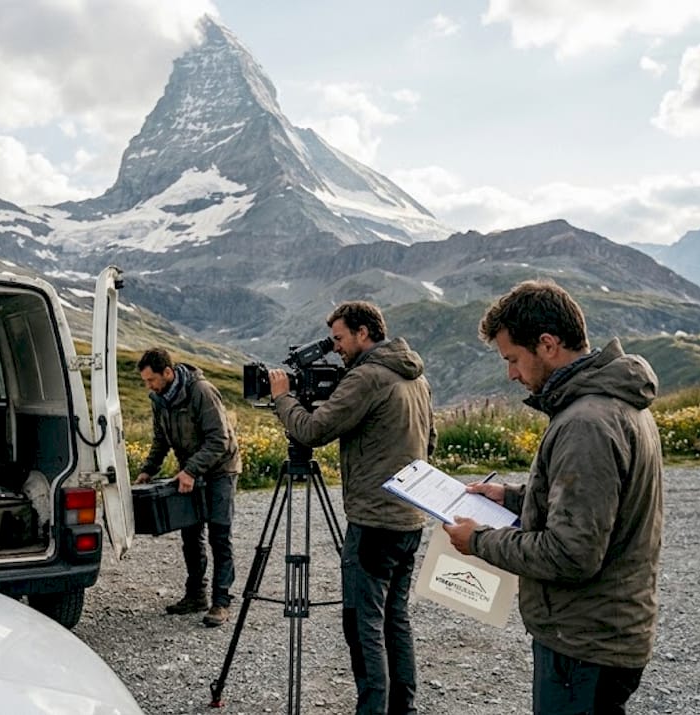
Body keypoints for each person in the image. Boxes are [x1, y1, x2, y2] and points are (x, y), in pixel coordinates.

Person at [442, 279, 664, 715]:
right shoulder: (614, 404)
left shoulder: (586, 423)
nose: (510, 374)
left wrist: (479, 542)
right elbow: (595, 505)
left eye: (513, 359)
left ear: (547, 344)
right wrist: (510, 498)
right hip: (599, 633)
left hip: (584, 642)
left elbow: (571, 553)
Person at [268, 301, 435, 715]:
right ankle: (404, 709)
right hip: (409, 518)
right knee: (395, 619)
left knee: (363, 627)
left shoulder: (367, 378)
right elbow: (430, 441)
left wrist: (283, 399)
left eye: (340, 338)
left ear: (364, 333)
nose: (335, 348)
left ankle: (372, 710)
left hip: (374, 522)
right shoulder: (416, 377)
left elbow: (313, 429)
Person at [135, 347, 241, 628]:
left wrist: (191, 470)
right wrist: (148, 469)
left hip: (221, 469)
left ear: (167, 373)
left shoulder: (201, 392)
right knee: (191, 535)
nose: (149, 386)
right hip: (189, 470)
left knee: (219, 534)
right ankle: (196, 596)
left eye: (151, 380)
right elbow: (161, 440)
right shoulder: (158, 399)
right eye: (146, 382)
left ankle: (221, 602)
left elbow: (219, 439)